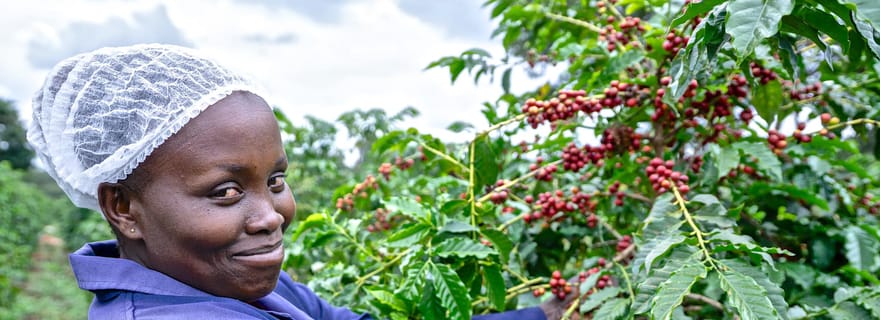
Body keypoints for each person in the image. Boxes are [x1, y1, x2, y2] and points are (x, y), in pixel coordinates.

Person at [27, 44, 577, 319]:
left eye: (276, 179)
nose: (270, 215)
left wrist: (545, 312)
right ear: (122, 206)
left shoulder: (238, 281)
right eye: (225, 192)